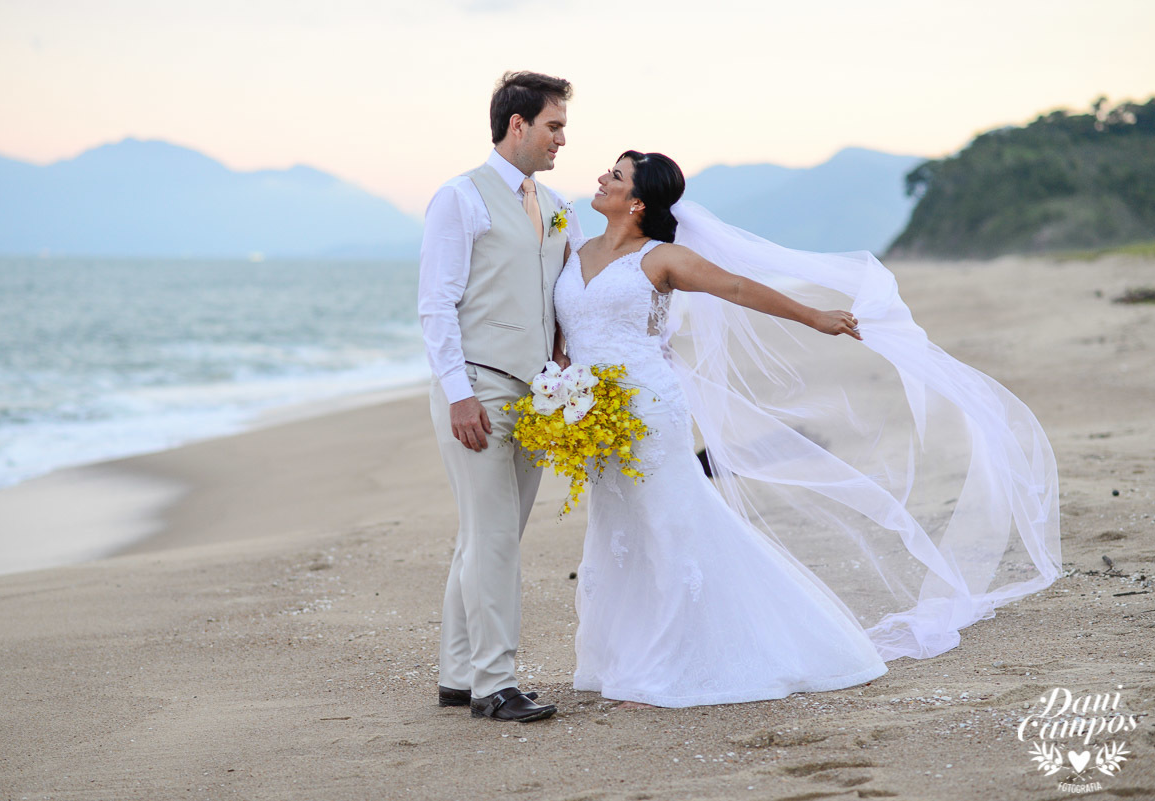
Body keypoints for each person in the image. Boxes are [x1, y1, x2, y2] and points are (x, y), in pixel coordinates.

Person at [553, 151, 1061, 708]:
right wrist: (557, 391)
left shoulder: (662, 258)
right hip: (590, 416)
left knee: (670, 528)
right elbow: (563, 329)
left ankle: (672, 665)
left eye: (616, 176)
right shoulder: (574, 252)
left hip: (648, 409)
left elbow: (739, 289)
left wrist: (817, 318)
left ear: (638, 202)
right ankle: (621, 659)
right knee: (617, 530)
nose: (602, 178)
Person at [417, 71, 579, 722]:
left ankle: (459, 674)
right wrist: (458, 393)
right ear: (518, 125)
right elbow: (435, 305)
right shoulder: (460, 198)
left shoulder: (556, 202)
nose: (561, 139)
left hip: (536, 394)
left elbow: (555, 294)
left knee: (488, 535)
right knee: (493, 539)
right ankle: (495, 682)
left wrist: (565, 356)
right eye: (553, 126)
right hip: (479, 388)